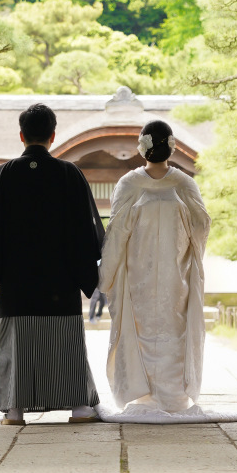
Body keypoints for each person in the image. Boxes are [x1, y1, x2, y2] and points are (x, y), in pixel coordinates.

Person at [0, 102, 104, 426]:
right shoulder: (69, 174)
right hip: (61, 282)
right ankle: (80, 407)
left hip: (17, 282)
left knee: (18, 343)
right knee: (66, 341)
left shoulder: (2, 175)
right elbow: (86, 232)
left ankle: (14, 410)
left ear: (21, 135)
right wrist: (85, 272)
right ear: (53, 136)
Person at [98, 119, 211, 417]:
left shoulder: (129, 184)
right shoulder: (184, 184)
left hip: (140, 274)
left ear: (142, 147)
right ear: (171, 147)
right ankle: (173, 398)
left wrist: (105, 276)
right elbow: (201, 227)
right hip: (176, 275)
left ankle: (145, 397)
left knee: (141, 333)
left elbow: (116, 234)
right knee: (175, 333)